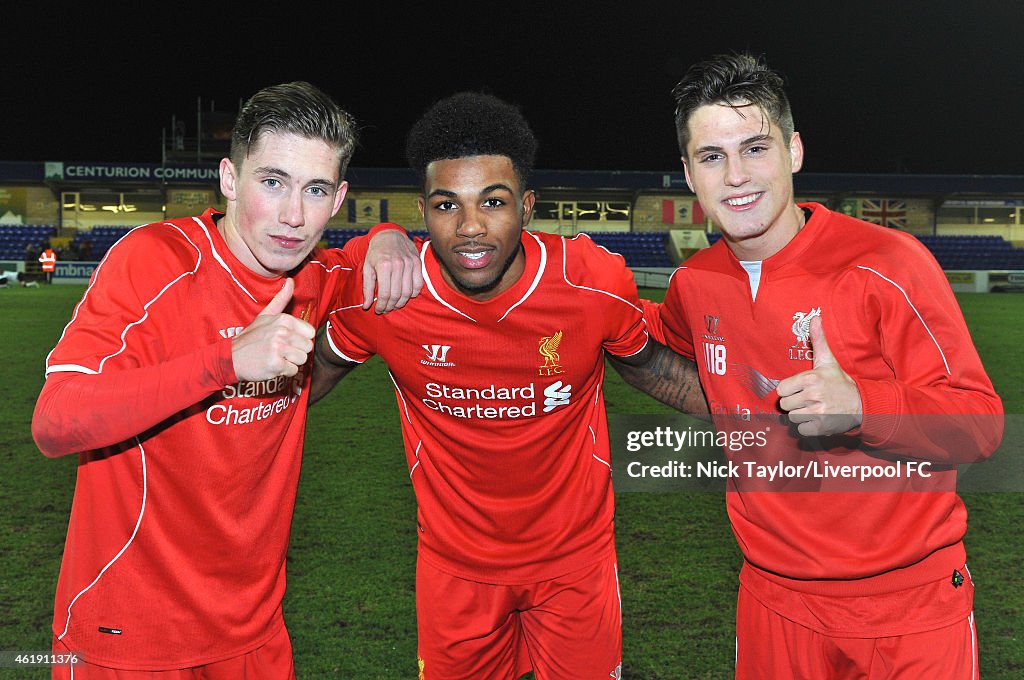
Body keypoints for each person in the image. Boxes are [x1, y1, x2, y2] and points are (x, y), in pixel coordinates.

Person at [32, 81, 422, 679]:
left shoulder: (314, 276)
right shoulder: (156, 260)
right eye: (271, 182)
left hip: (254, 634)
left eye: (315, 190)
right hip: (129, 633)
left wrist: (389, 235)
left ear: (339, 197)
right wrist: (226, 362)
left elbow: (359, 257)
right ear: (229, 179)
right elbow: (55, 421)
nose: (293, 215)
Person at [311, 91, 706, 679]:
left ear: (526, 206)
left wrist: (785, 428)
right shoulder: (388, 297)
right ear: (424, 211)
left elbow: (656, 370)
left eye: (492, 203)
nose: (470, 228)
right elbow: (295, 393)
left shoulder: (590, 282)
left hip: (575, 566)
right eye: (448, 206)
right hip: (455, 574)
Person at [643, 53, 1004, 679]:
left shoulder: (888, 262)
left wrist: (864, 407)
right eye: (712, 156)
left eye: (755, 148)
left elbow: (981, 424)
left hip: (908, 606)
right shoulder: (693, 285)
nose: (735, 176)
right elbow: (680, 364)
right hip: (773, 601)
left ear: (795, 151)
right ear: (688, 174)